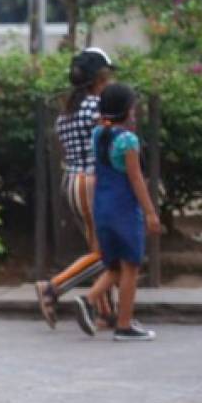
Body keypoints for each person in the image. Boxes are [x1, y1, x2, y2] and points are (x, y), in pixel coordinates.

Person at [34, 48, 117, 328]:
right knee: (106, 252)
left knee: (97, 247)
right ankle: (52, 288)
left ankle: (106, 311)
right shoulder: (96, 107)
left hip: (72, 181)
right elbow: (110, 141)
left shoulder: (66, 111)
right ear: (98, 79)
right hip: (92, 180)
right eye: (107, 77)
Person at [74, 83, 161, 341]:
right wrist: (150, 213)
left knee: (114, 265)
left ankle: (88, 300)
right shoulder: (127, 140)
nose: (135, 111)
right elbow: (136, 180)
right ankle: (124, 325)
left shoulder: (99, 133)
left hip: (102, 206)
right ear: (126, 110)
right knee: (131, 266)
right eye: (132, 106)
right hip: (124, 209)